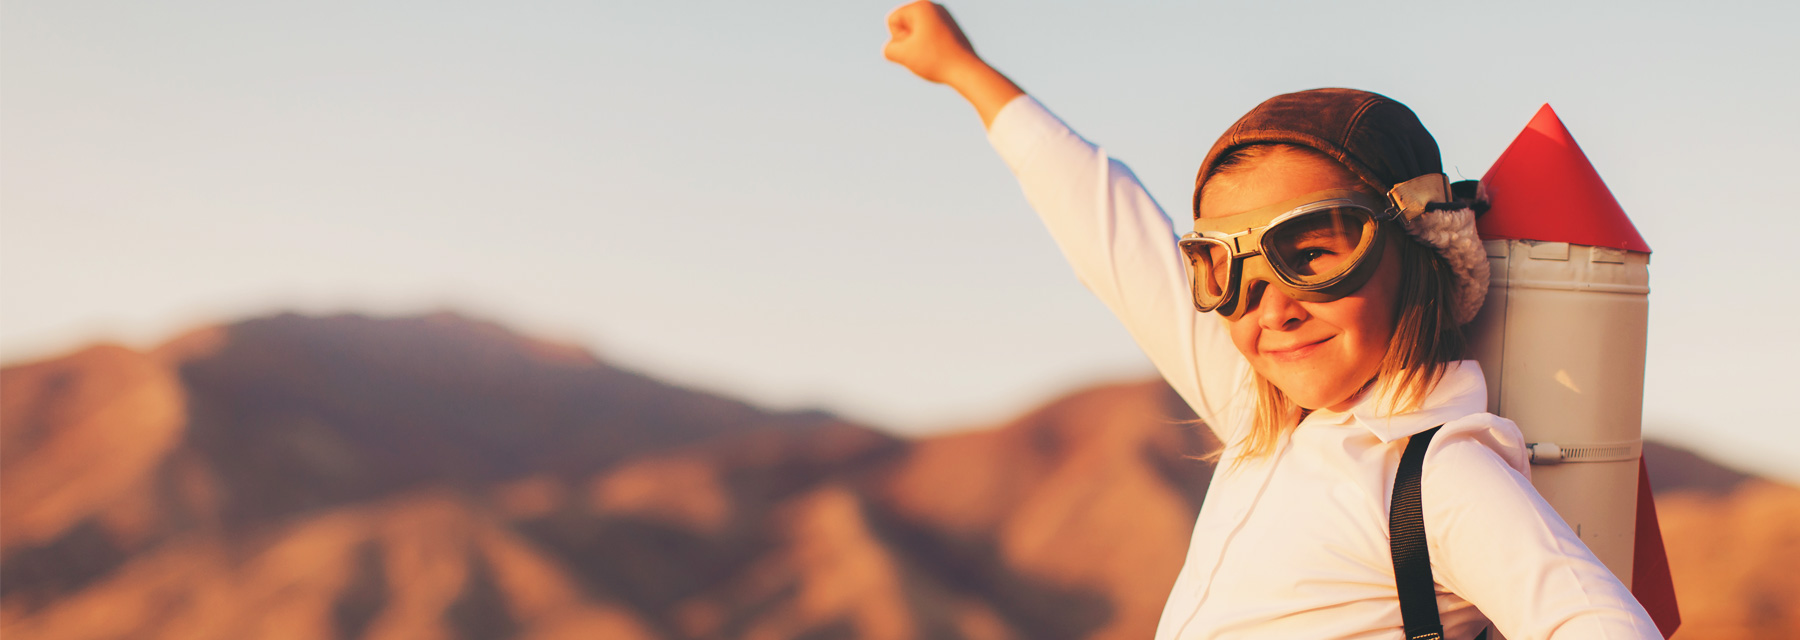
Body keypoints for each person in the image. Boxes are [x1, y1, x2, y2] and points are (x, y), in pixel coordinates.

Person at [881, 2, 1662, 638]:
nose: (1275, 307)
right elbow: (1108, 232)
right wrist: (966, 73)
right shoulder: (1269, 417)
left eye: (1315, 252)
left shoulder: (1435, 479)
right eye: (1230, 272)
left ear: (1421, 245)